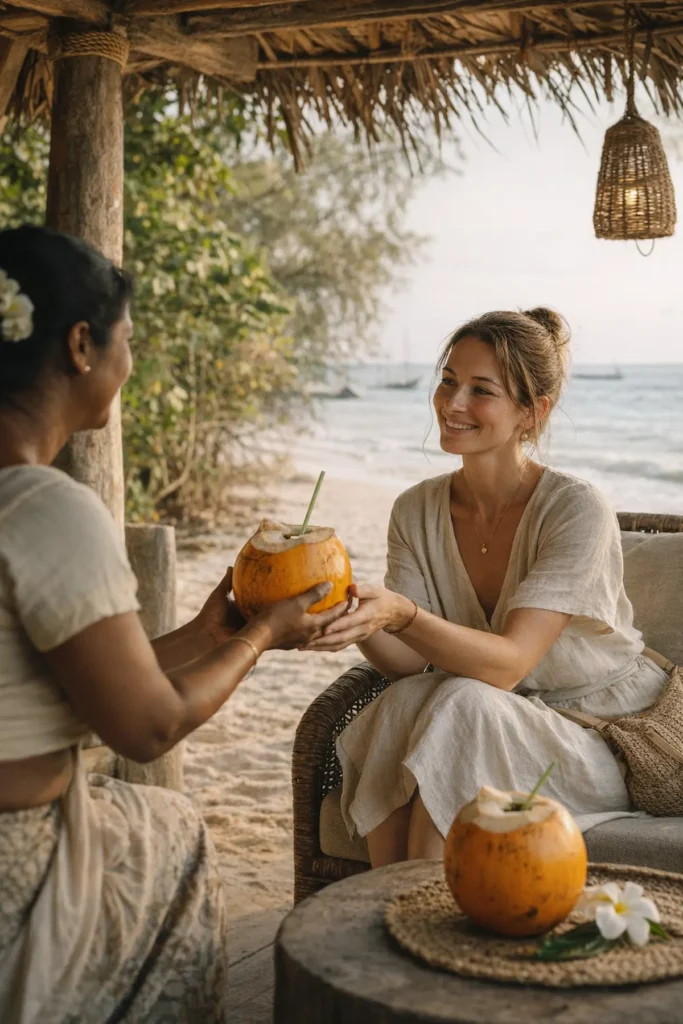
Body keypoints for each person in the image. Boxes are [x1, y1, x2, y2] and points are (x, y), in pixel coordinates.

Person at [0, 224, 348, 1024]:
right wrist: (264, 636)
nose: (130, 361)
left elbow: (73, 682)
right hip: (19, 859)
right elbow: (146, 727)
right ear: (81, 345)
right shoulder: (48, 510)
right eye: (127, 339)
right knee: (172, 830)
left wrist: (208, 633)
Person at [304, 308, 670, 868]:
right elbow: (406, 662)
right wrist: (350, 608)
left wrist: (401, 614)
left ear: (533, 411)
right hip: (492, 717)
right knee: (404, 702)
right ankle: (392, 901)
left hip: (604, 734)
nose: (452, 403)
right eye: (448, 380)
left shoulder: (576, 508)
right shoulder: (415, 509)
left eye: (481, 390)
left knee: (465, 704)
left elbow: (508, 665)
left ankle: (420, 904)